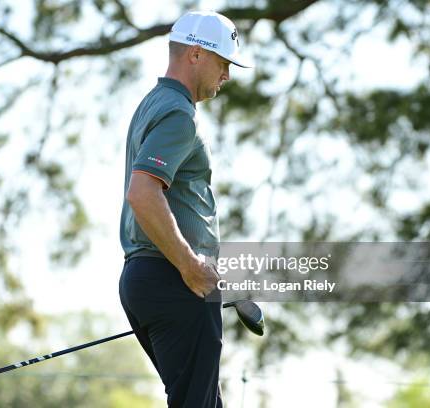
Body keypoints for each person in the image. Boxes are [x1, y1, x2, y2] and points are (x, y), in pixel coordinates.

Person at [118, 10, 251, 408]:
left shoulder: (153, 103)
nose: (226, 75)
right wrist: (190, 265)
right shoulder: (180, 114)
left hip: (146, 277)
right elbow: (142, 193)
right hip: (174, 279)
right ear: (196, 54)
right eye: (224, 62)